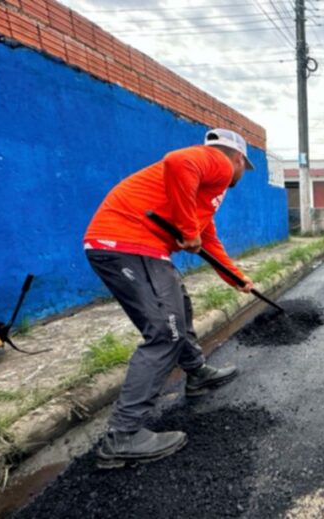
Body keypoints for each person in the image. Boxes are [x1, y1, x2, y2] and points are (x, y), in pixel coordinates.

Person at [83, 128, 256, 467]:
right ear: (237, 158)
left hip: (142, 250)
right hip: (127, 245)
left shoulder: (203, 196)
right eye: (243, 168)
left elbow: (207, 240)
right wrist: (188, 231)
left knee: (180, 308)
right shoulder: (217, 164)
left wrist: (236, 278)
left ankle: (197, 373)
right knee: (165, 331)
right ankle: (124, 435)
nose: (240, 175)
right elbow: (178, 161)